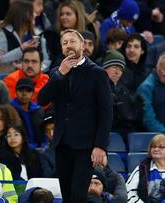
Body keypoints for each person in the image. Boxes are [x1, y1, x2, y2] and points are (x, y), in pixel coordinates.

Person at [38, 29, 113, 202]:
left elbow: (106, 113)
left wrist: (100, 145)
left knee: (77, 196)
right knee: (66, 196)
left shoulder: (97, 73)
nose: (68, 46)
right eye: (64, 43)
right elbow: (42, 99)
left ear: (82, 45)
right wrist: (59, 74)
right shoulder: (57, 72)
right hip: (62, 143)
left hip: (86, 146)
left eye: (72, 41)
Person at [0, 0, 50, 74]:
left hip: (34, 76)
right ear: (22, 15)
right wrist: (20, 50)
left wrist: (38, 69)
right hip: (8, 76)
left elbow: (46, 59)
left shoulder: (36, 33)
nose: (35, 15)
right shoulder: (2, 33)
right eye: (31, 13)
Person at [126, 134, 165, 203]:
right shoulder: (142, 168)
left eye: (161, 147)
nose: (156, 149)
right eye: (153, 147)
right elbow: (129, 192)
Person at [102, 48, 138, 141]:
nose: (117, 72)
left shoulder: (125, 90)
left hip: (125, 136)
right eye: (114, 67)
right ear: (105, 68)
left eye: (120, 69)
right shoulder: (97, 87)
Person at [0, 125, 42, 194]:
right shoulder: (3, 157)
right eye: (9, 136)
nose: (12, 138)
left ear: (23, 138)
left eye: (16, 134)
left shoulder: (33, 155)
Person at [10, 78, 45, 149]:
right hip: (18, 149)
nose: (24, 94)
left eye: (28, 91)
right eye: (21, 90)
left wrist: (43, 147)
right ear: (16, 91)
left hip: (39, 150)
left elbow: (44, 134)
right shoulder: (9, 109)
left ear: (32, 93)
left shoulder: (39, 110)